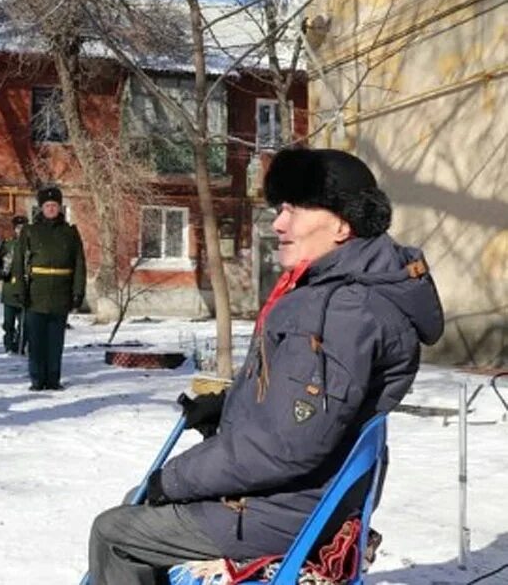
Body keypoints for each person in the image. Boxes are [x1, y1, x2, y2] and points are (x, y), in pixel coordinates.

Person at [87, 147, 444, 585]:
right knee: (135, 505)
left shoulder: (342, 311)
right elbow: (302, 405)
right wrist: (228, 404)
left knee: (115, 532)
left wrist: (174, 479)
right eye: (281, 208)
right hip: (307, 495)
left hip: (288, 508)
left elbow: (287, 447)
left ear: (342, 223)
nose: (278, 223)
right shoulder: (343, 292)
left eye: (295, 209)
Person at [12, 185, 85, 391]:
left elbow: (79, 263)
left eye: (54, 205)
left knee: (55, 340)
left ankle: (53, 379)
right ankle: (37, 379)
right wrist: (19, 289)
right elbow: (19, 261)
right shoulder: (30, 231)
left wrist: (78, 291)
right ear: (41, 208)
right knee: (35, 340)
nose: (51, 209)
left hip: (61, 292)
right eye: (47, 205)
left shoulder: (70, 233)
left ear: (60, 208)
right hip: (36, 292)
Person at [0, 215, 29, 354]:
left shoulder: (30, 245)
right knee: (8, 323)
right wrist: (0, 272)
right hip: (9, 289)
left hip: (25, 289)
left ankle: (21, 345)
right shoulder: (8, 244)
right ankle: (9, 345)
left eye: (23, 228)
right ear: (14, 229)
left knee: (24, 323)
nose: (20, 230)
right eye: (18, 228)